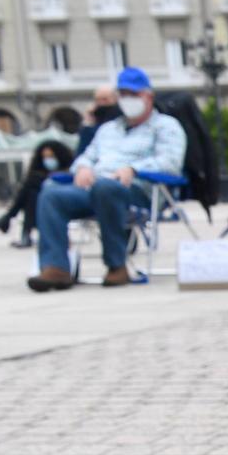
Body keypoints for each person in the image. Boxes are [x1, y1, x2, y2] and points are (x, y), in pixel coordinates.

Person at [26, 65, 185, 292]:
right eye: (123, 94)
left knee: (106, 187)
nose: (128, 100)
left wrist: (134, 168)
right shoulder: (108, 129)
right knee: (51, 193)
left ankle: (116, 265)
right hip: (94, 188)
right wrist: (82, 168)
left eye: (134, 94)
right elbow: (87, 156)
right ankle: (56, 268)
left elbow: (171, 163)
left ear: (148, 96)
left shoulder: (166, 127)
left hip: (139, 190)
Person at [0, 137, 76, 246]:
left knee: (31, 188)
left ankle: (10, 220)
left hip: (63, 197)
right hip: (43, 200)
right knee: (32, 195)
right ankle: (15, 226)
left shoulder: (71, 168)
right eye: (45, 157)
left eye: (51, 156)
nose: (48, 160)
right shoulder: (41, 171)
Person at [76, 84, 119, 156]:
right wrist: (87, 122)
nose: (101, 103)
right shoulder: (93, 117)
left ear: (115, 99)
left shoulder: (119, 117)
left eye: (105, 99)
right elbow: (82, 151)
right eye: (97, 100)